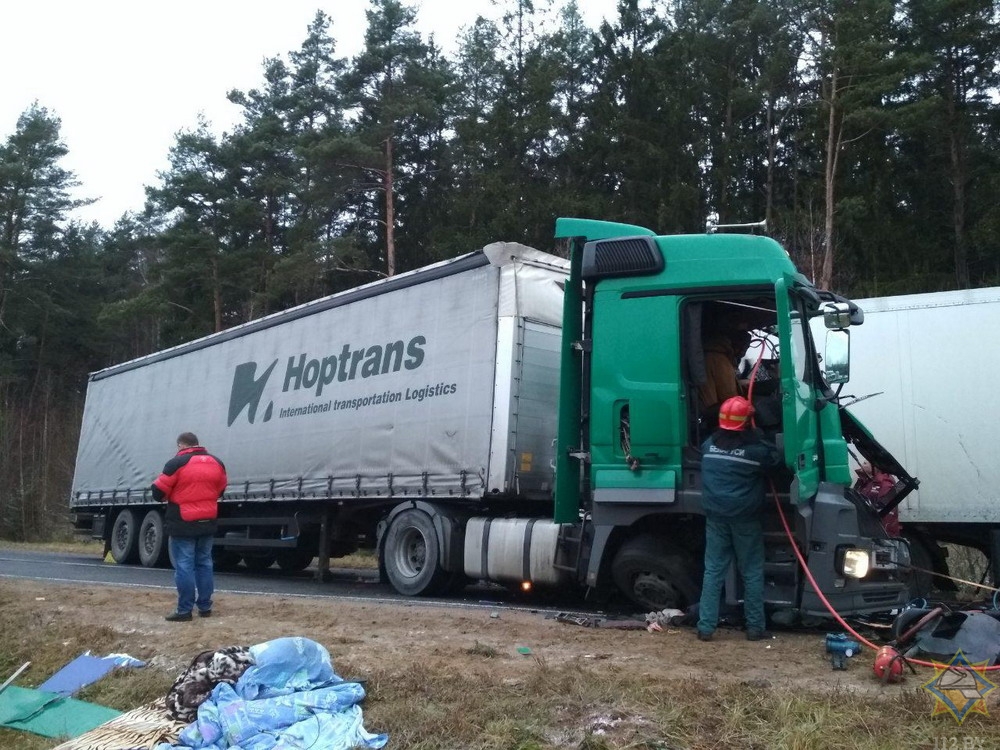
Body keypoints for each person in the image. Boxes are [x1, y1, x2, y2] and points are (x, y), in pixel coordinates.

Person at [696, 396, 782, 642]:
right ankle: (755, 628)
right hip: (745, 520)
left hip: (715, 518)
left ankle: (705, 628)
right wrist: (758, 434)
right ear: (747, 421)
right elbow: (774, 459)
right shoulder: (755, 452)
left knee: (713, 571)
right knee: (752, 571)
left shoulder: (708, 445)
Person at [151, 432, 227, 622]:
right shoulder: (217, 462)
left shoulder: (176, 463)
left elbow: (158, 491)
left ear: (180, 446)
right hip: (208, 519)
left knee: (184, 564)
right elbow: (221, 489)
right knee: (205, 562)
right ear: (197, 444)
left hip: (183, 521)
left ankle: (184, 610)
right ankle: (205, 606)